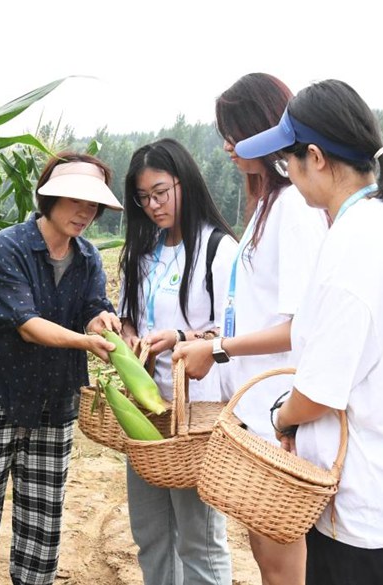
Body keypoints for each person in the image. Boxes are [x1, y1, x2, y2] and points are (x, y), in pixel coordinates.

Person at [234, 79, 383, 585]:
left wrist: (282, 418)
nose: (288, 176)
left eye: (286, 163)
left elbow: (317, 393)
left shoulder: (352, 245)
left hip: (373, 519)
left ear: (314, 157)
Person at [173, 72, 328, 585]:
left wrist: (218, 350)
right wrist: (207, 341)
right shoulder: (266, 204)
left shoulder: (293, 210)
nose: (226, 146)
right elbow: (255, 307)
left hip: (282, 405)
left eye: (233, 133)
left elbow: (299, 326)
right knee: (266, 555)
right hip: (257, 406)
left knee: (282, 561)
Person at [0, 153, 124, 585]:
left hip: (54, 402)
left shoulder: (88, 257)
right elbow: (26, 325)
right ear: (50, 196)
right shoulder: (7, 248)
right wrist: (85, 341)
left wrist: (103, 322)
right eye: (76, 201)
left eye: (93, 204)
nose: (86, 212)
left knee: (43, 527)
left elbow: (94, 307)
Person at [118, 138, 238, 585]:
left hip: (197, 416)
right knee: (150, 533)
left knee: (199, 540)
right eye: (143, 198)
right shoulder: (141, 252)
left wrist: (182, 337)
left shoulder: (218, 250)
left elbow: (233, 333)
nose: (152, 206)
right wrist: (129, 340)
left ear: (183, 183)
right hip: (146, 411)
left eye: (160, 193)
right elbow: (130, 319)